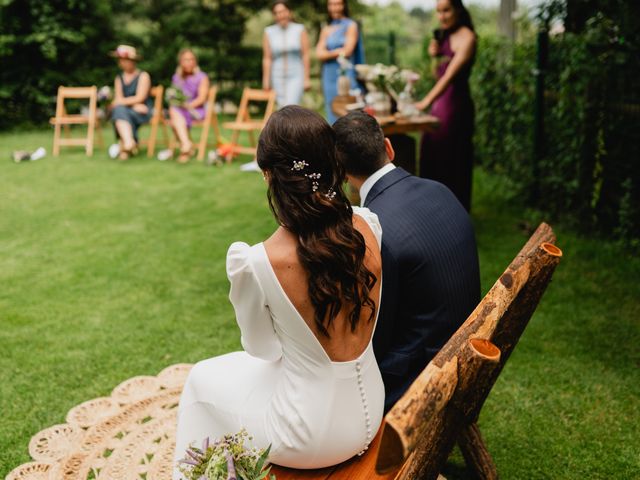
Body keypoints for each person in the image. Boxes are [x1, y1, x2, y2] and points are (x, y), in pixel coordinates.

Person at [173, 106, 384, 474]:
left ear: (269, 175)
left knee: (199, 381)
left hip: (308, 436)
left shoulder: (257, 261)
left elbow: (262, 348)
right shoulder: (368, 225)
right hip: (372, 404)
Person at [333, 111, 480, 411]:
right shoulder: (441, 190)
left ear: (342, 173)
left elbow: (377, 334)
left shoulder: (373, 229)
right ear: (389, 148)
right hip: (465, 354)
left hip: (417, 383)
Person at [415, 0, 476, 211]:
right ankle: (431, 206)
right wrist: (436, 56)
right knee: (432, 153)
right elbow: (436, 74)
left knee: (451, 156)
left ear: (458, 9)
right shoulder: (445, 36)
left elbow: (448, 78)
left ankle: (454, 208)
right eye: (438, 12)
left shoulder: (468, 37)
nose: (442, 16)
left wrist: (425, 101)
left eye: (446, 10)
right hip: (440, 105)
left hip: (455, 105)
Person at [316, 0, 364, 124]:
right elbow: (319, 53)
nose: (334, 7)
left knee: (349, 109)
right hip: (329, 75)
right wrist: (339, 51)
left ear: (343, 5)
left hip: (345, 73)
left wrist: (329, 53)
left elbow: (348, 50)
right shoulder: (326, 28)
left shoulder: (351, 25)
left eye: (337, 4)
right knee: (332, 109)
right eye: (331, 4)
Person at [262, 1, 311, 108]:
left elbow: (306, 54)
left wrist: (307, 78)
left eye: (283, 11)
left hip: (296, 74)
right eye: (277, 12)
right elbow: (267, 58)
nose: (281, 15)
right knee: (281, 108)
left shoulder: (299, 29)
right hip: (277, 75)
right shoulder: (269, 32)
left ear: (289, 12)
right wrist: (266, 80)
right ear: (274, 15)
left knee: (291, 107)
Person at [109, 45, 152, 161]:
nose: (121, 63)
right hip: (130, 110)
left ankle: (126, 146)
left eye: (124, 60)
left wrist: (123, 102)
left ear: (132, 61)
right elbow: (119, 99)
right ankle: (129, 143)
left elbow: (140, 97)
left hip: (142, 112)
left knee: (118, 111)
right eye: (120, 61)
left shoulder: (143, 76)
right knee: (119, 111)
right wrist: (132, 104)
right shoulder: (119, 78)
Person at [169, 48, 210, 163]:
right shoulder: (177, 78)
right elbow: (174, 96)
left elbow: (202, 99)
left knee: (174, 116)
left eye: (191, 59)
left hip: (196, 110)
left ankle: (186, 147)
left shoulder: (202, 77)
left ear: (195, 61)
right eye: (186, 60)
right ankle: (187, 145)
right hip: (180, 110)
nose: (189, 62)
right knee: (174, 111)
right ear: (180, 62)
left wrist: (187, 105)